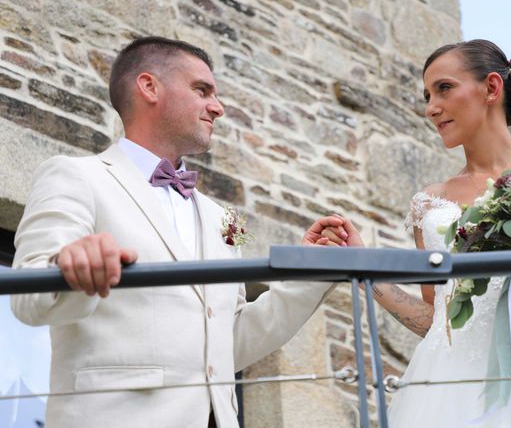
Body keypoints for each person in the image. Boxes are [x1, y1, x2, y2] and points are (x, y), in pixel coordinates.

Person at [11, 36, 345, 428]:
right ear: (149, 87)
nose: (218, 108)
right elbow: (28, 296)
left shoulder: (225, 219)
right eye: (202, 90)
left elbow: (228, 341)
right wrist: (71, 266)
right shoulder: (74, 175)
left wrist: (314, 270)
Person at [316, 40, 511, 426]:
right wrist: (364, 269)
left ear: (490, 87)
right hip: (452, 392)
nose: (430, 107)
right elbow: (438, 322)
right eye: (427, 95)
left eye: (444, 88)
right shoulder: (428, 205)